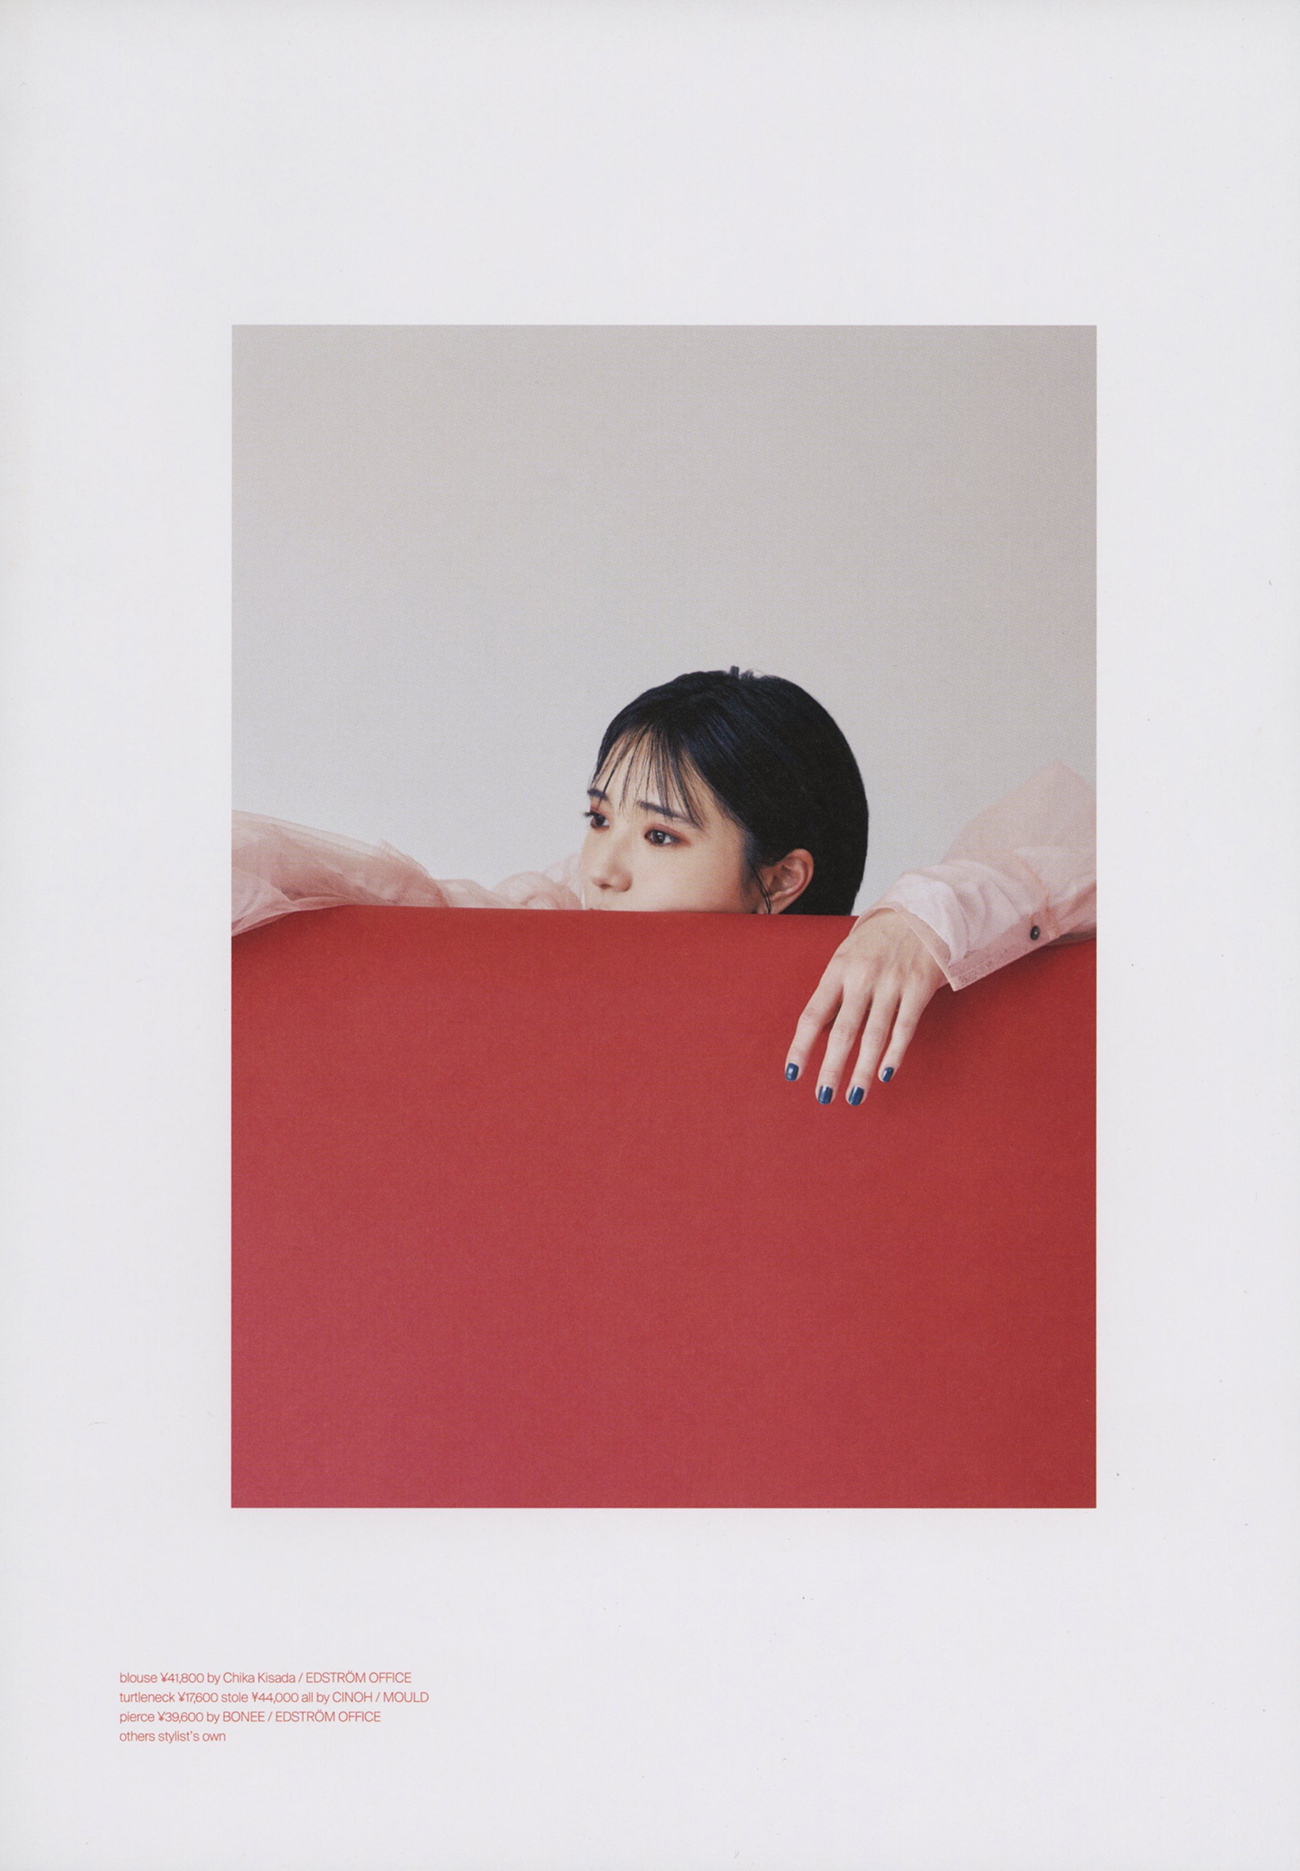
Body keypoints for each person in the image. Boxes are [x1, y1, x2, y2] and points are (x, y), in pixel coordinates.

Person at [233, 667, 1095, 1102]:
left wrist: (924, 919)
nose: (602, 867)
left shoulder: (903, 947)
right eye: (598, 818)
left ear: (781, 878)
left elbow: (1101, 858)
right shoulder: (560, 917)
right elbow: (412, 909)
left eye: (659, 835)